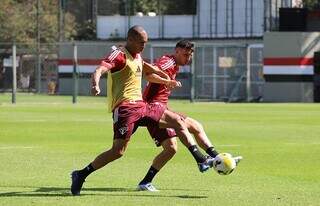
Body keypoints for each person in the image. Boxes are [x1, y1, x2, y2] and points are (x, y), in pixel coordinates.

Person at [70, 26, 214, 196]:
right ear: (130, 40)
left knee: (177, 121)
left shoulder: (137, 55)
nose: (143, 46)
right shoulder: (119, 55)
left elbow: (145, 67)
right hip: (125, 109)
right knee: (118, 151)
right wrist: (95, 84)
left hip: (142, 106)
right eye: (141, 43)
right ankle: (81, 174)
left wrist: (163, 77)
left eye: (145, 43)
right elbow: (100, 69)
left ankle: (200, 159)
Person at [137, 40, 242, 192]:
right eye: (186, 54)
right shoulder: (168, 62)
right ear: (177, 51)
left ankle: (217, 158)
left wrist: (167, 81)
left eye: (190, 55)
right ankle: (202, 160)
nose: (188, 58)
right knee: (176, 141)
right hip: (152, 109)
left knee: (183, 137)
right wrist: (167, 80)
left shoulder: (175, 65)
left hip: (162, 108)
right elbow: (148, 74)